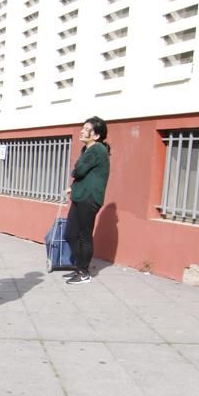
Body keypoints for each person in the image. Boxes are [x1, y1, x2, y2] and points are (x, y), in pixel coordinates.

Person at [65, 116, 111, 285]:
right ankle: (79, 267)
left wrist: (76, 172)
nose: (82, 131)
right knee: (70, 234)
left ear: (96, 135)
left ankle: (83, 272)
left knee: (83, 235)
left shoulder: (97, 149)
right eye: (82, 128)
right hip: (81, 195)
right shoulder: (88, 150)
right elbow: (84, 174)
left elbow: (79, 171)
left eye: (87, 129)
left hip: (89, 198)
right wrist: (73, 187)